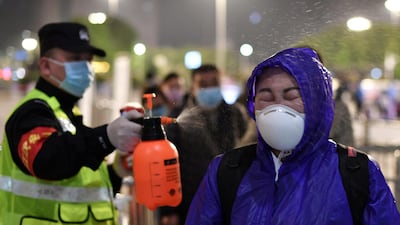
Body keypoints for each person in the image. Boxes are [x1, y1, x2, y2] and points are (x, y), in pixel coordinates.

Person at [185, 47, 400, 224]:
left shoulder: (357, 173)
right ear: (252, 106)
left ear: (317, 104)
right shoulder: (226, 171)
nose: (278, 107)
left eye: (291, 96)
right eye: (266, 97)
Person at [0, 22, 143, 225]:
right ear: (46, 66)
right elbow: (46, 161)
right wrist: (105, 137)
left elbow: (83, 188)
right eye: (75, 59)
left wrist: (118, 170)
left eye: (88, 60)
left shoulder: (68, 114)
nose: (85, 67)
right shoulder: (32, 112)